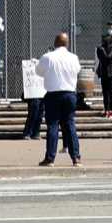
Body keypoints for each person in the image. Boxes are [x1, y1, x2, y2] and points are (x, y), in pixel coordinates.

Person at [37, 31, 82, 167]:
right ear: (67, 43)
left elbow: (38, 71)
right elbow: (77, 71)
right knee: (70, 125)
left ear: (55, 43)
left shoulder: (48, 57)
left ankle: (50, 158)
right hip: (69, 94)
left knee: (53, 126)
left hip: (53, 94)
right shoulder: (73, 57)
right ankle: (76, 158)